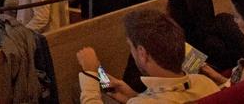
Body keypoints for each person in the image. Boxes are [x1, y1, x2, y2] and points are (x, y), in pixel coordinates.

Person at [76, 9, 218, 103]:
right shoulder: (205, 83)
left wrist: (90, 72)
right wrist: (134, 96)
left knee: (77, 87)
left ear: (142, 53)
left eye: (131, 47)